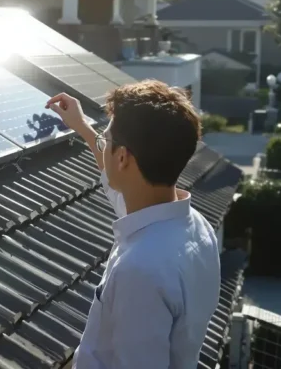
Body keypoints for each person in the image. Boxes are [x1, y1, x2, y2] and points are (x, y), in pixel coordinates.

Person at [46, 81, 220, 369]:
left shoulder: (140, 270)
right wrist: (85, 129)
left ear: (124, 157)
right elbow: (121, 185)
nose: (103, 145)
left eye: (106, 141)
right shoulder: (195, 228)